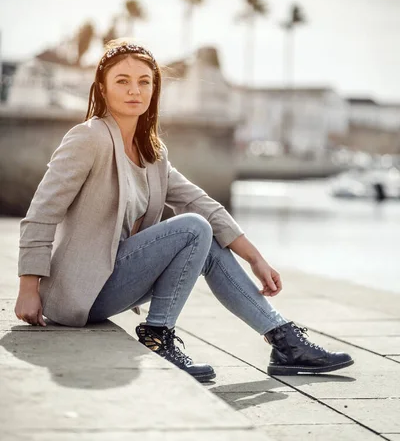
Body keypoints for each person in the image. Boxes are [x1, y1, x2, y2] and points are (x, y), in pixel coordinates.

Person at [15, 40, 354, 382]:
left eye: (144, 81)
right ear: (102, 87)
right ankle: (158, 335)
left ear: (154, 88)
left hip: (113, 282)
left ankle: (283, 339)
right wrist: (29, 287)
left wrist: (256, 259)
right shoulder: (88, 138)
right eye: (122, 81)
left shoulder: (152, 152)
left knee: (203, 231)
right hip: (76, 292)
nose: (135, 90)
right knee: (193, 228)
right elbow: (42, 211)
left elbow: (200, 202)